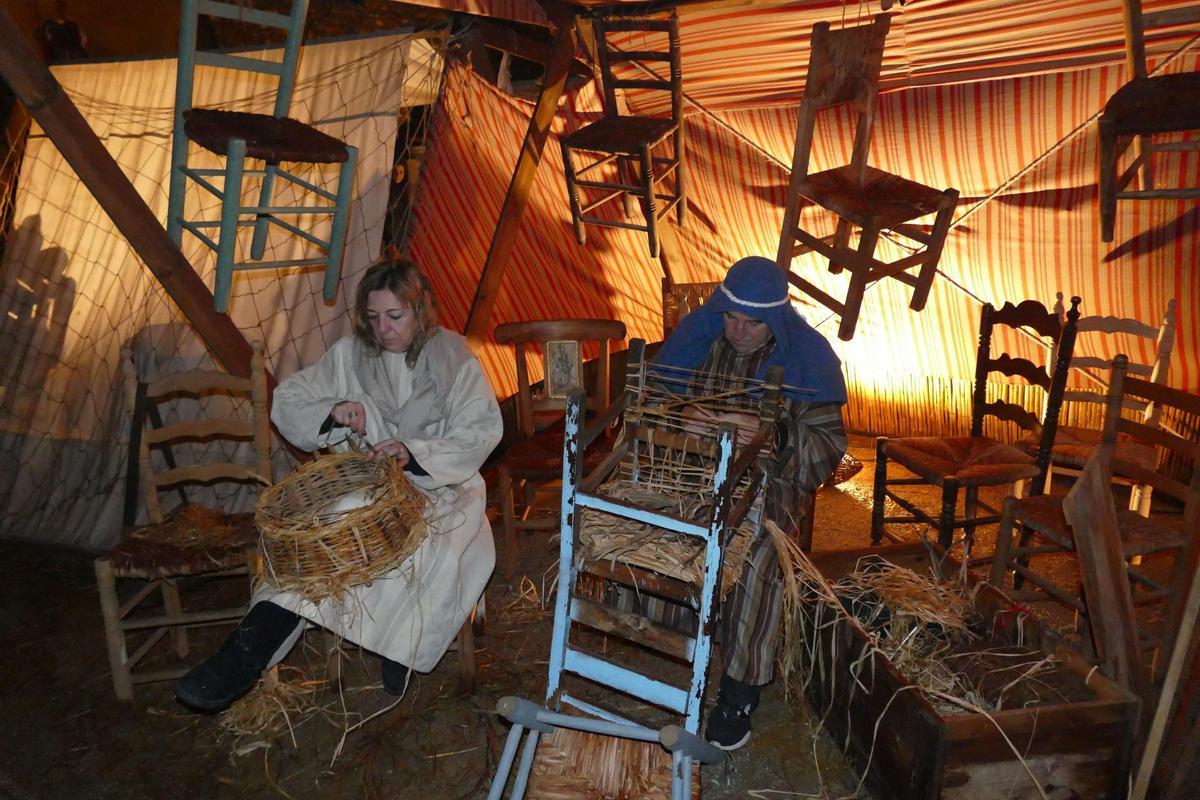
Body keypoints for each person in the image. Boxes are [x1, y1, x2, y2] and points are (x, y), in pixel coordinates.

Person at [174, 258, 502, 712]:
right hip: (369, 486)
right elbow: (289, 399)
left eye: (395, 316)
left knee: (434, 546)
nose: (383, 329)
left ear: (420, 308)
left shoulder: (454, 356)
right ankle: (244, 654)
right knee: (324, 540)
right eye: (373, 317)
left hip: (443, 487)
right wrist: (336, 410)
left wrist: (414, 452)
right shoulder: (351, 355)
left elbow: (481, 430)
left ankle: (399, 648)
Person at [654, 255, 848, 750]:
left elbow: (827, 449)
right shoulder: (700, 343)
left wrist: (774, 435)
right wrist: (681, 417)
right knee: (654, 524)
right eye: (730, 316)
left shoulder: (805, 360)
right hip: (694, 473)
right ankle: (678, 641)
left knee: (758, 552)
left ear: (776, 320)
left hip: (769, 484)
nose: (738, 332)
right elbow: (652, 400)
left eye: (752, 322)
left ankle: (739, 691)